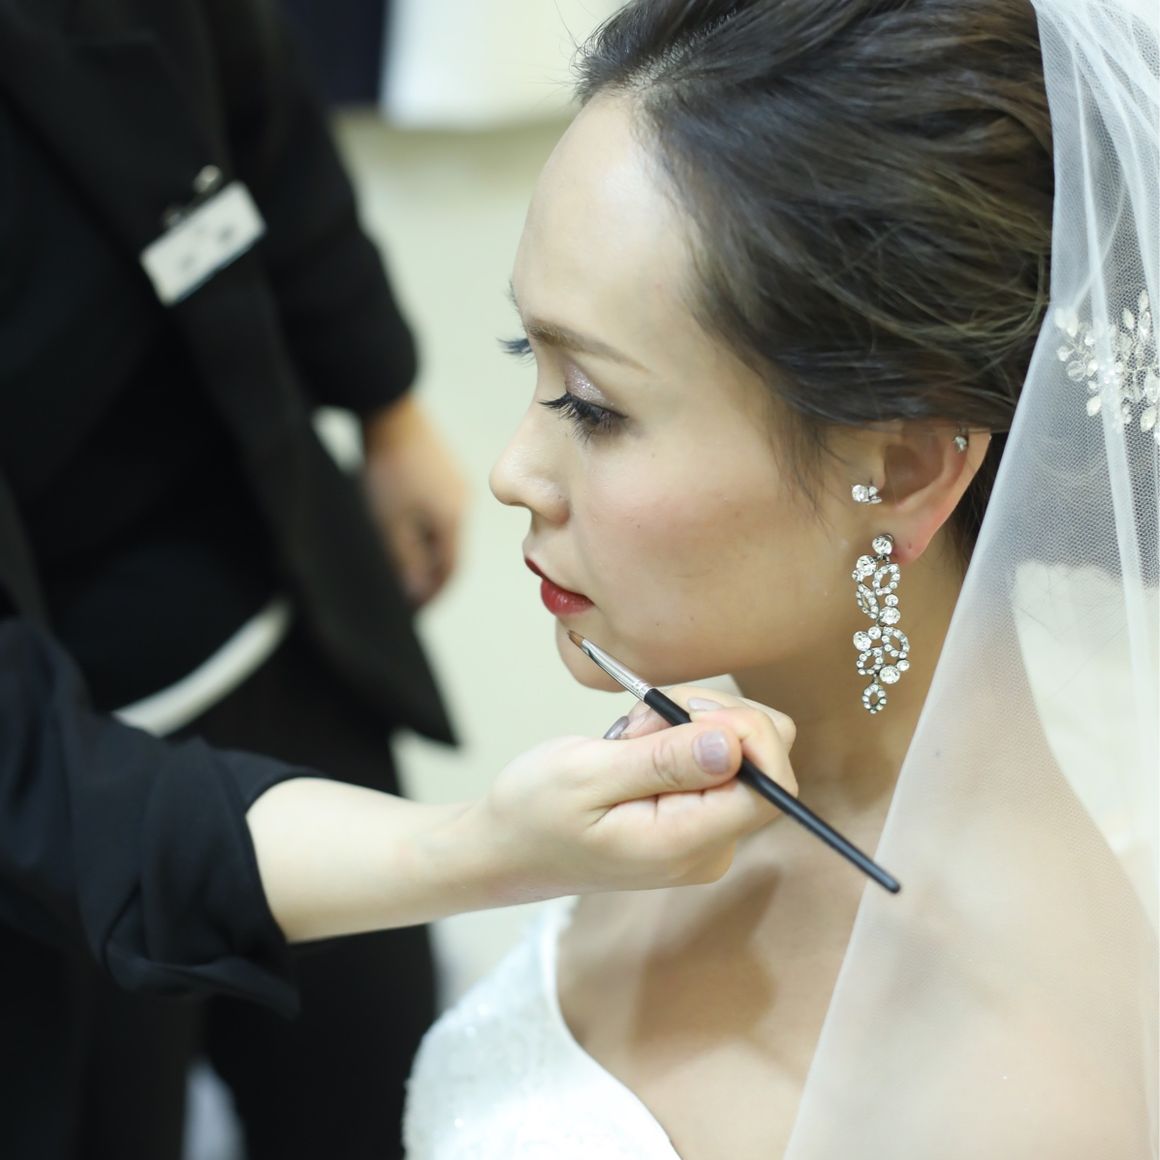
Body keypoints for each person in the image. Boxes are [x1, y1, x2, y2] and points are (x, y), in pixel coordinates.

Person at [403, 0, 1159, 1155]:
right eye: (529, 356)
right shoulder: (695, 769)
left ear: (900, 469)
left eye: (592, 408)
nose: (513, 471)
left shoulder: (1020, 1080)